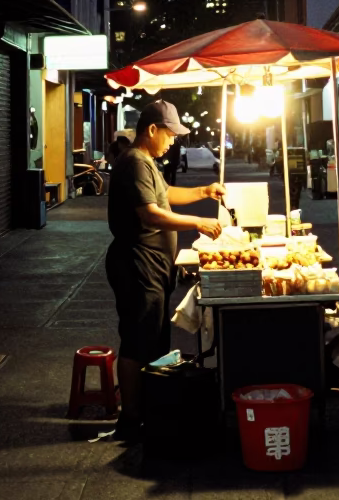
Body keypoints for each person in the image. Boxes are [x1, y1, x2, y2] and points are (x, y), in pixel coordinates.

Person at [104, 99, 224, 442]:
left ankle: (149, 408)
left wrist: (203, 191)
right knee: (137, 340)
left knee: (152, 339)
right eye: (169, 134)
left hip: (152, 265)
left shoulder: (148, 162)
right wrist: (199, 222)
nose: (173, 141)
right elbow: (151, 214)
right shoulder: (135, 162)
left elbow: (165, 195)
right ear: (152, 130)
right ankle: (131, 419)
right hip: (136, 263)